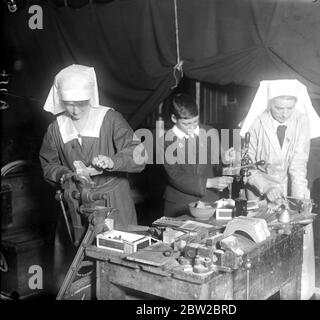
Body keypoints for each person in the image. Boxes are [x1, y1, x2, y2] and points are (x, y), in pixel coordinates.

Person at [39, 64, 146, 288]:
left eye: (81, 103)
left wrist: (112, 161)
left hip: (113, 202)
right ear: (60, 100)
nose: (75, 110)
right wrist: (65, 174)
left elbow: (138, 155)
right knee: (76, 269)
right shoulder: (56, 128)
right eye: (69, 104)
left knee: (120, 265)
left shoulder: (109, 119)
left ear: (90, 97)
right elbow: (48, 164)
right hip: (76, 204)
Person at [239, 79, 320, 300]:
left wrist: (299, 202)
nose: (284, 113)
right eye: (279, 108)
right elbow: (245, 166)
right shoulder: (256, 123)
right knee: (262, 249)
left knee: (296, 241)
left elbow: (298, 164)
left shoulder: (301, 120)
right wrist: (266, 187)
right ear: (269, 103)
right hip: (258, 195)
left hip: (289, 191)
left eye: (289, 108)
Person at [161, 93, 233, 217]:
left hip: (209, 200)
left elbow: (217, 164)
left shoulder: (210, 132)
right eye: (187, 124)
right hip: (179, 204)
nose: (192, 127)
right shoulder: (164, 142)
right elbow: (175, 175)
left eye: (195, 121)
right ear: (174, 118)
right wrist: (208, 183)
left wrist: (225, 159)